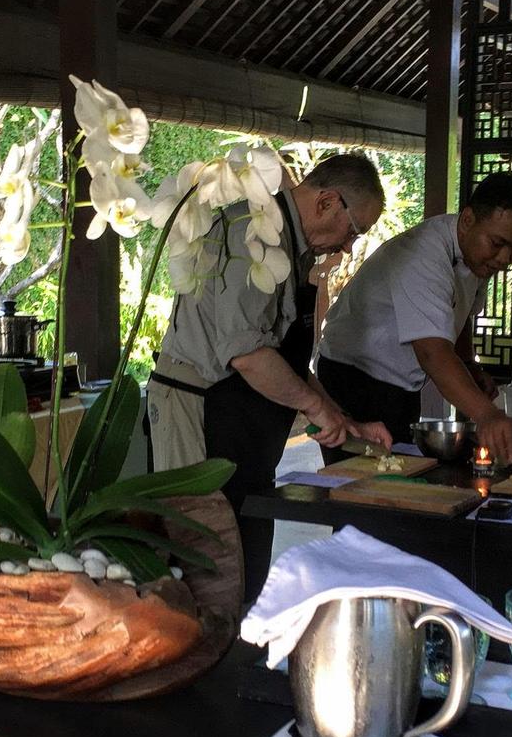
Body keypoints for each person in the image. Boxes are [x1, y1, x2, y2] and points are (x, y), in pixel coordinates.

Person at [147, 153, 392, 598]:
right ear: (327, 203)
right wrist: (315, 406)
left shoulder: (289, 246)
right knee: (205, 556)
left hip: (241, 421)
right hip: (199, 407)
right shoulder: (252, 231)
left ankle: (241, 651)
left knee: (246, 552)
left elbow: (286, 359)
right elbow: (247, 354)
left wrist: (342, 420)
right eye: (353, 231)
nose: (347, 248)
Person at [316, 172, 512, 465]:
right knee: (363, 485)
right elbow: (433, 354)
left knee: (400, 474)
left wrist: (469, 365)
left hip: (401, 385)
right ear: (468, 219)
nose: (505, 258)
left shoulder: (477, 256)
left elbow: (461, 314)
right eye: (497, 243)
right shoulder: (424, 255)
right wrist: (486, 414)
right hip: (353, 378)